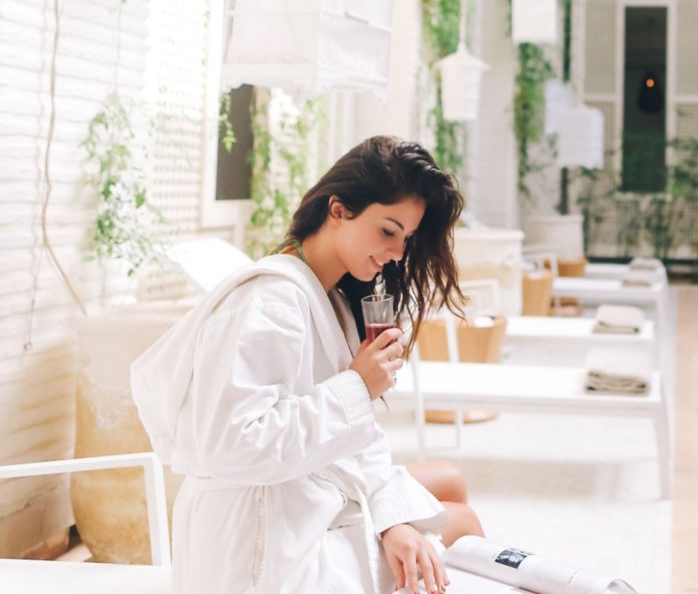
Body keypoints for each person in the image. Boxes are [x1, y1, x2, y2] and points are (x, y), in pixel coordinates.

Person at [131, 135, 483, 594]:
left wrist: (392, 520)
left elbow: (356, 439)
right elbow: (231, 444)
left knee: (445, 487)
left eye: (407, 238)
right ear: (338, 210)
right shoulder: (271, 301)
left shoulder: (330, 297)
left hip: (297, 501)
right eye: (388, 231)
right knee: (459, 519)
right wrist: (357, 387)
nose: (398, 253)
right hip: (259, 550)